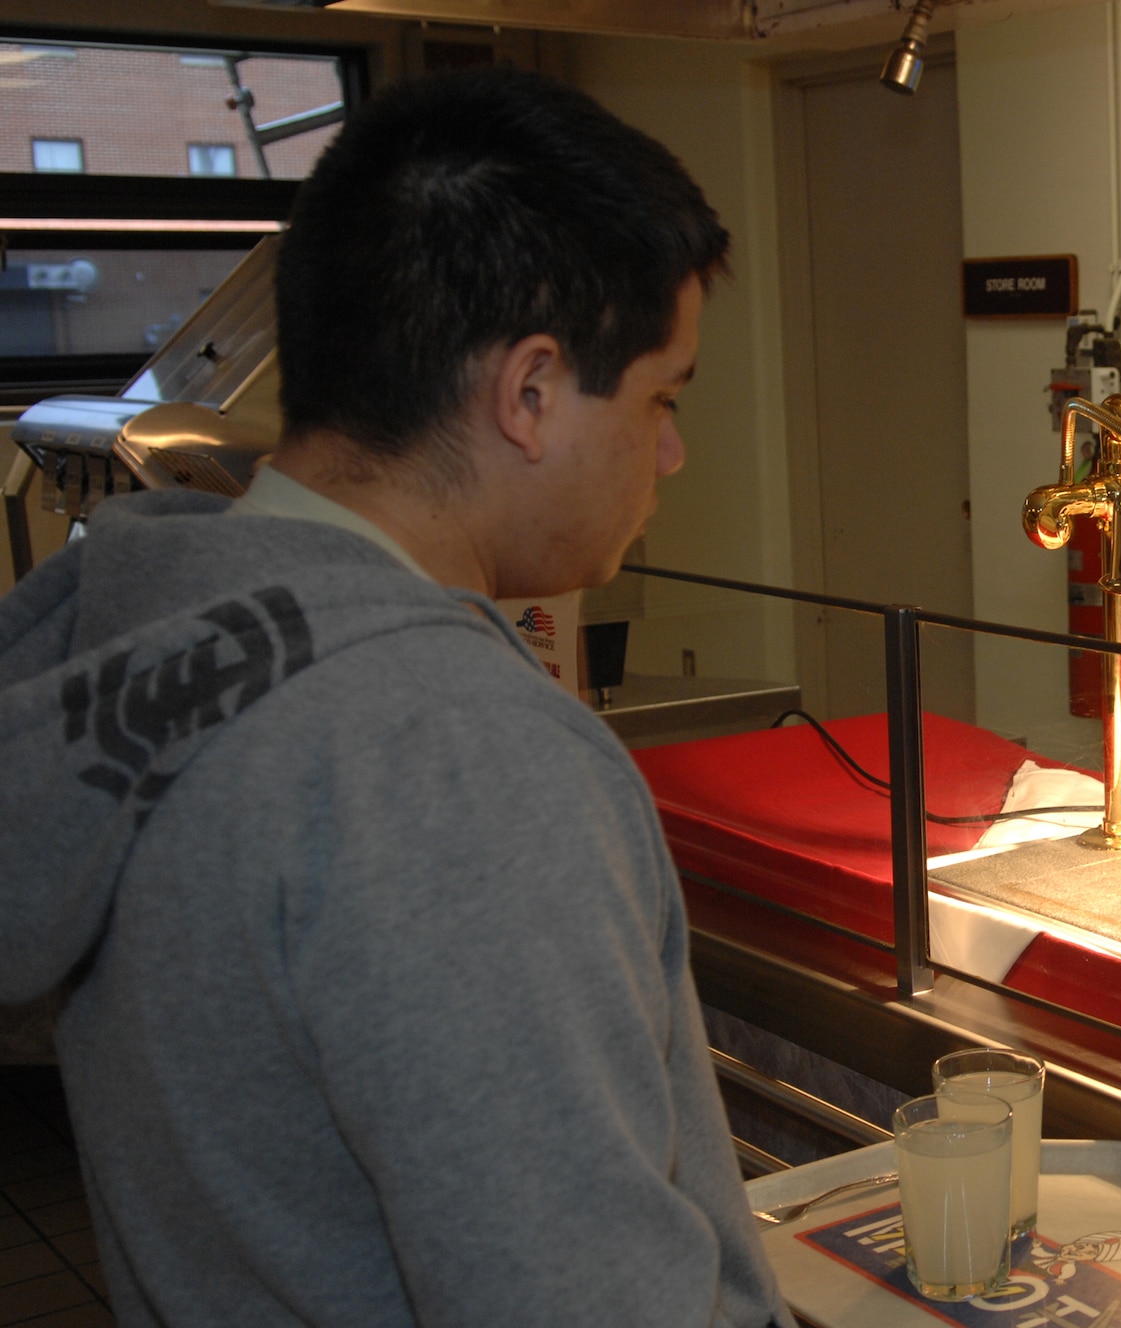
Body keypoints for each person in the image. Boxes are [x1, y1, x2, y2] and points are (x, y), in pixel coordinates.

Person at [0, 68, 792, 1326]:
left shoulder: (146, 633)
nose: (672, 450)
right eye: (661, 397)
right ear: (529, 394)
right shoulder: (454, 754)